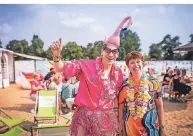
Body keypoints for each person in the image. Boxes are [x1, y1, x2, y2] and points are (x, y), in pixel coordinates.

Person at [50, 16, 133, 136]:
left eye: (114, 51)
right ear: (102, 51)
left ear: (117, 54)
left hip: (106, 120)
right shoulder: (86, 65)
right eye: (108, 50)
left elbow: (117, 98)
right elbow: (61, 68)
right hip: (85, 119)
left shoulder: (119, 73)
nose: (110, 54)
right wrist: (56, 56)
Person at [118, 51, 166, 136]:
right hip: (131, 131)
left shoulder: (154, 83)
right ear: (128, 66)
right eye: (132, 62)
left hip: (151, 130)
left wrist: (162, 129)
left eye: (138, 61)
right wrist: (121, 129)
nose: (136, 65)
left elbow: (159, 106)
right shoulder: (124, 86)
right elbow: (121, 109)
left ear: (142, 63)